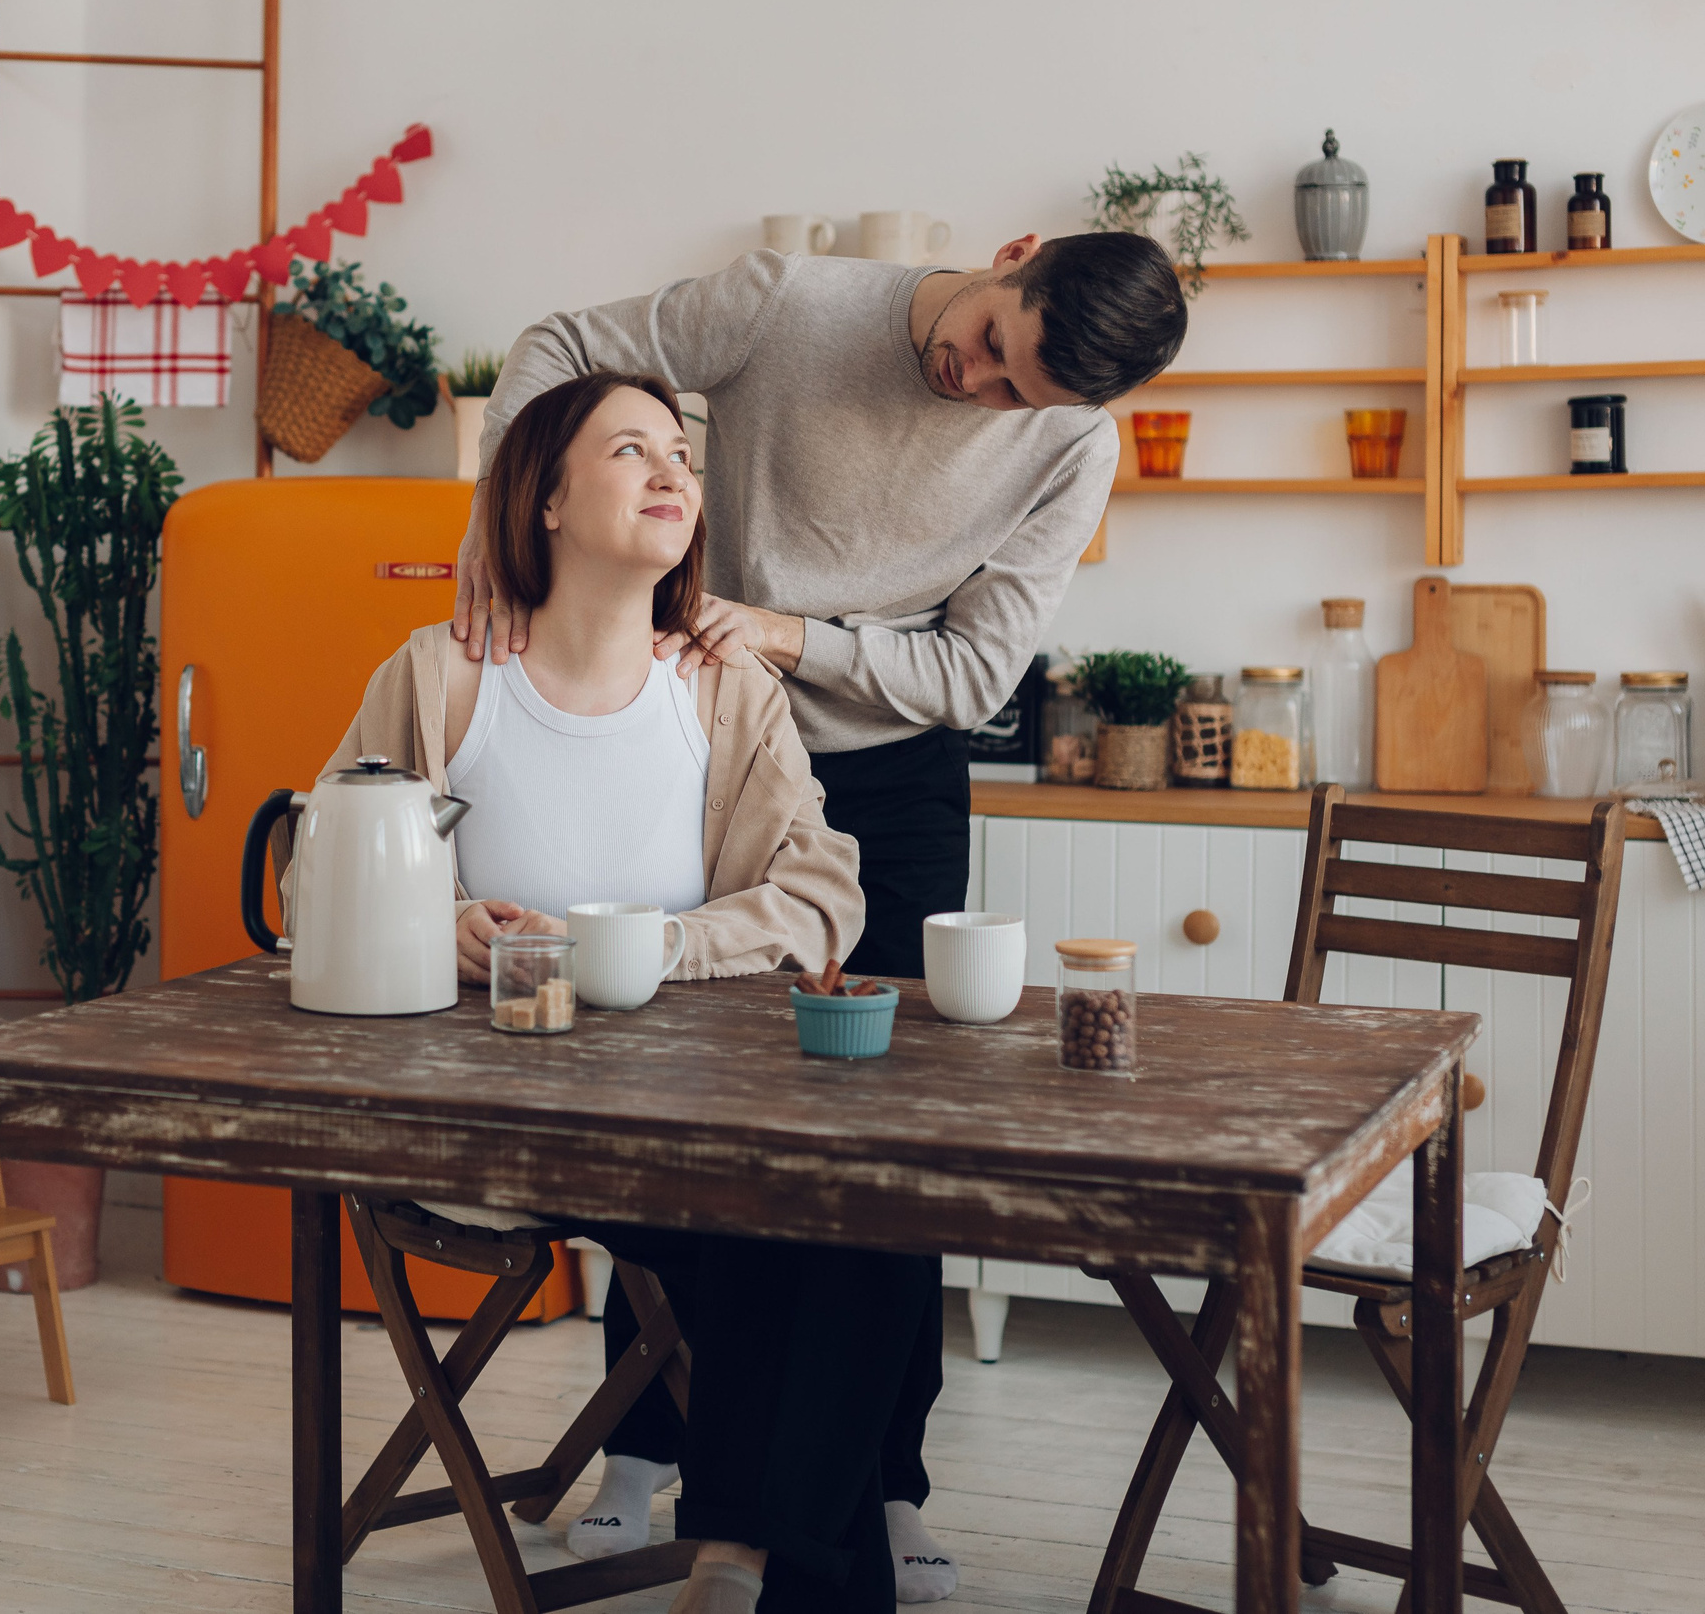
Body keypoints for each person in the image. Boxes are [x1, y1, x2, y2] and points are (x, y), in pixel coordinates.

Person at [454, 231, 1188, 1602]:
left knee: (886, 1142)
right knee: (686, 1090)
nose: (979, 389)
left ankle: (880, 1483)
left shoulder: (1072, 441)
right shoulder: (788, 303)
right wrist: (496, 545)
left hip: (892, 774)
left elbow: (972, 675)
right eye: (990, 345)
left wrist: (785, 632)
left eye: (1019, 396)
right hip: (705, 735)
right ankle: (647, 1447)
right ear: (1011, 258)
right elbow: (557, 347)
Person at [315, 370, 931, 1614]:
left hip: (696, 1126)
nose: (670, 474)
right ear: (543, 499)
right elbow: (317, 873)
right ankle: (766, 1565)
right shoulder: (442, 677)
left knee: (863, 1209)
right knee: (791, 1219)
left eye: (680, 458)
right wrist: (436, 923)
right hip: (492, 1127)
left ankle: (737, 1564)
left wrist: (659, 946)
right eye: (629, 450)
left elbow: (824, 893)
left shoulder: (723, 691)